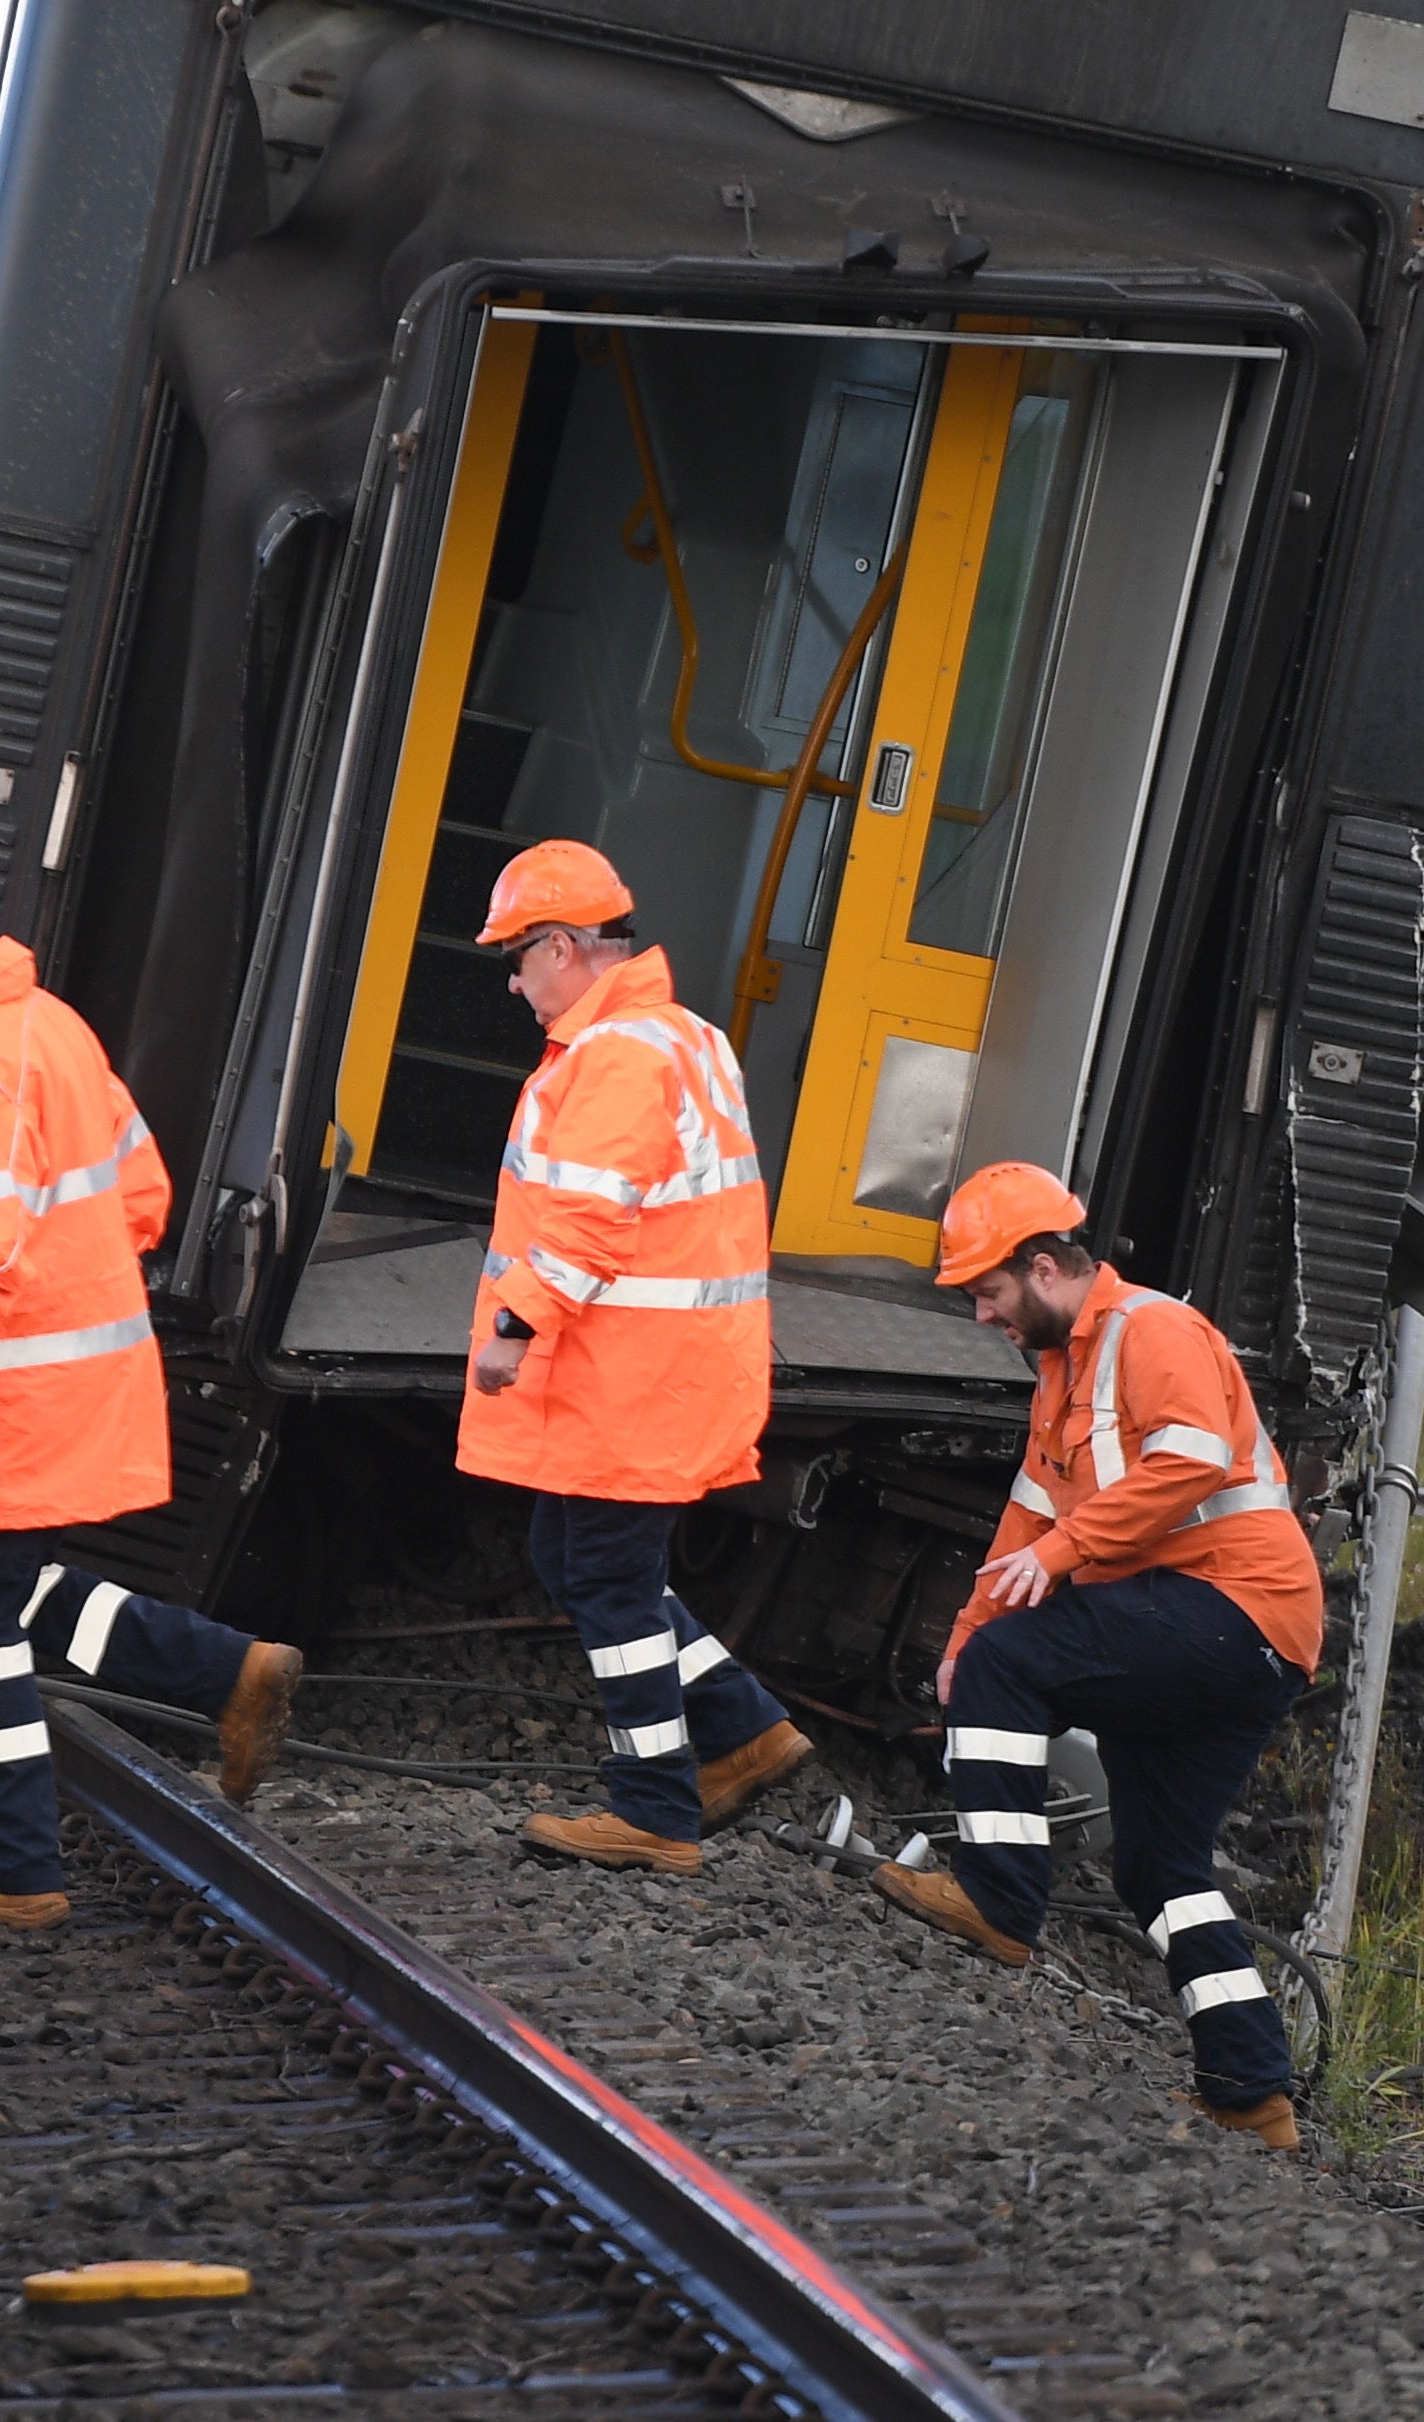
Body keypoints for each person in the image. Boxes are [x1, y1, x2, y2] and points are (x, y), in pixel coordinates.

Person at [0, 838, 306, 1934]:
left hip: (5, 1395)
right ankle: (227, 1672)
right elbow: (141, 1192)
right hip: (71, 1379)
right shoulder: (52, 1031)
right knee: (7, 1590)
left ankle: (13, 1871)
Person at [871, 1160, 1320, 2149]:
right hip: (1246, 1639)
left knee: (1015, 1666)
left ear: (1042, 1267)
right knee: (1159, 1866)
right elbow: (1027, 1513)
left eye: (988, 1293)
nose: (984, 1315)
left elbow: (1192, 1457)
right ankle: (1251, 2090)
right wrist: (964, 1637)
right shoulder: (1060, 1376)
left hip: (1229, 1607)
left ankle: (997, 1899)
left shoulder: (1147, 1330)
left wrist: (1055, 1568)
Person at [456, 838, 813, 1869]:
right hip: (652, 1367)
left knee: (606, 1576)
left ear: (563, 948)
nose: (515, 981)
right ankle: (744, 1729)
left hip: (630, 1374)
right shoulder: (682, 1036)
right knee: (571, 1558)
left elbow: (586, 1224)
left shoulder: (615, 1056)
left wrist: (514, 1329)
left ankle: (654, 1808)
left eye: (518, 959)